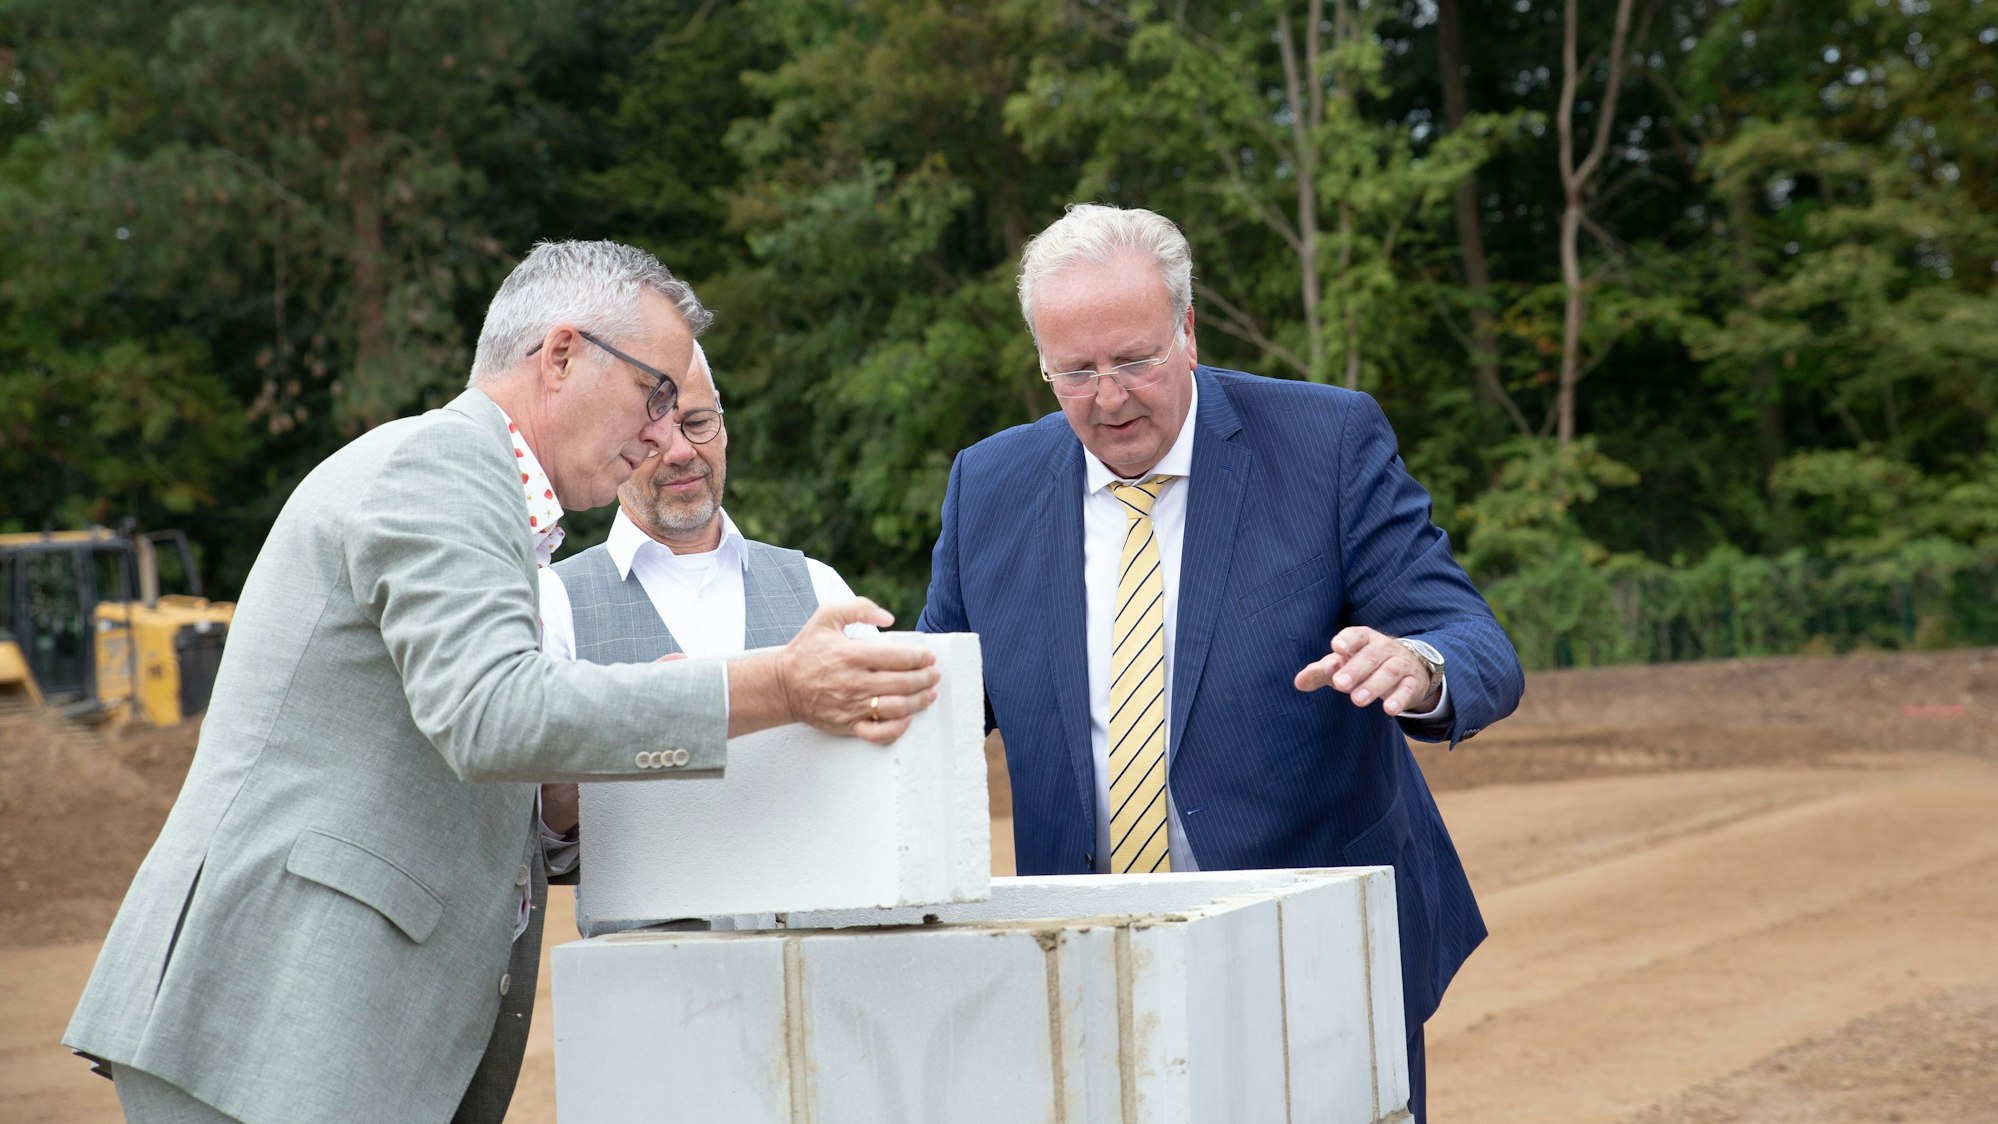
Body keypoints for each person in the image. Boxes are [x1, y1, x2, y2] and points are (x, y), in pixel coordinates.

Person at [65, 240, 940, 1124]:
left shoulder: (472, 488)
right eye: (655, 394)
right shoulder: (443, 466)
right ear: (561, 355)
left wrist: (561, 792)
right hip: (280, 1022)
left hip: (305, 1029)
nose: (661, 434)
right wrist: (780, 689)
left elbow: (459, 740)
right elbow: (490, 713)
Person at [916, 204, 1523, 1123]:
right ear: (1041, 361)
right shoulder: (988, 484)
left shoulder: (1326, 443)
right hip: (1088, 956)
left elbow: (1469, 634)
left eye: (1136, 359)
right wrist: (803, 691)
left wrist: (1420, 664)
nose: (1111, 396)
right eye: (1076, 372)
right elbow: (942, 687)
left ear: (1189, 331)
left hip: (1311, 943)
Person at [535, 341, 871, 935]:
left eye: (697, 422)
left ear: (724, 424)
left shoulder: (821, 589)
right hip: (650, 996)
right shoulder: (551, 604)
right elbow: (541, 849)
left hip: (817, 975)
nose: (681, 451)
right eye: (653, 431)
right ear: (614, 444)